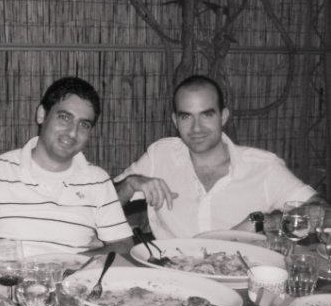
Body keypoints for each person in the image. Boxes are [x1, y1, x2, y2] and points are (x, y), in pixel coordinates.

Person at [114, 74, 325, 240]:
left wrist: (261, 221)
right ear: (175, 121)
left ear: (223, 116)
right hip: (171, 273)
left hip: (242, 274)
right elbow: (101, 204)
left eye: (206, 115)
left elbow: (324, 213)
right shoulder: (160, 156)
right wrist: (130, 184)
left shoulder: (263, 167)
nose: (196, 128)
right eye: (186, 117)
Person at [0, 76, 132, 257]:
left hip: (74, 275)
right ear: (41, 114)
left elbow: (123, 245)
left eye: (84, 125)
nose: (72, 132)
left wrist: (73, 263)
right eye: (64, 118)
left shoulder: (97, 181)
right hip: (8, 274)